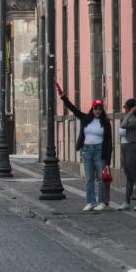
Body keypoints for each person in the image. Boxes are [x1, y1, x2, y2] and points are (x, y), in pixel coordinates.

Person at [56, 81, 112, 211]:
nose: (97, 111)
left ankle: (102, 202)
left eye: (99, 108)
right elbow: (73, 109)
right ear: (92, 109)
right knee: (89, 178)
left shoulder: (105, 122)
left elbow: (109, 141)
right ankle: (90, 202)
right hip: (87, 150)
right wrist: (63, 97)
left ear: (102, 110)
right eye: (95, 108)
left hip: (100, 151)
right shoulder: (86, 118)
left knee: (101, 178)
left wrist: (108, 159)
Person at [118, 98, 136, 211]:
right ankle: (126, 202)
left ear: (131, 108)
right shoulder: (128, 118)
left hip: (132, 148)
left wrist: (131, 113)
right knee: (129, 177)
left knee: (135, 177)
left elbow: (123, 125)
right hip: (124, 148)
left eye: (125, 107)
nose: (124, 109)